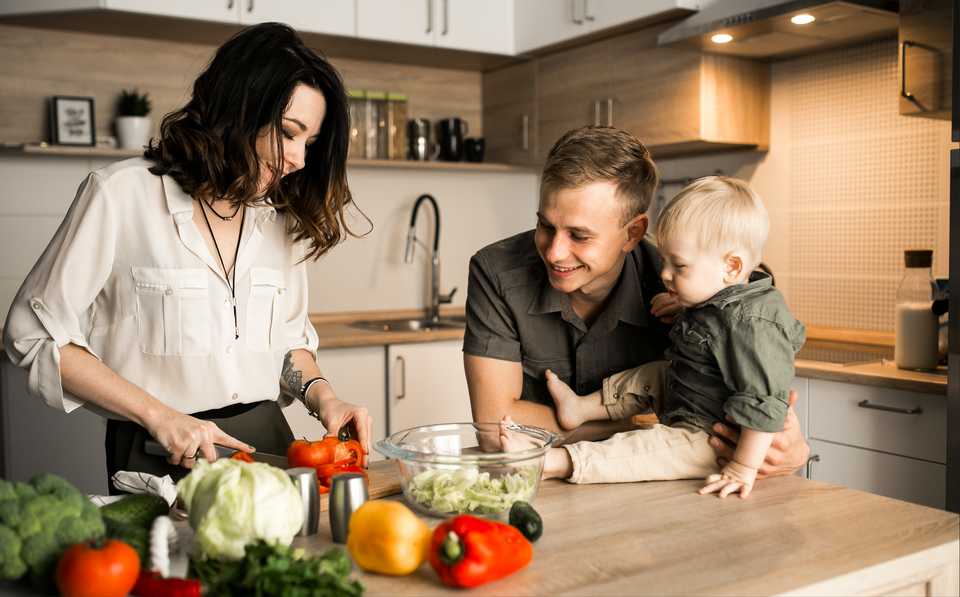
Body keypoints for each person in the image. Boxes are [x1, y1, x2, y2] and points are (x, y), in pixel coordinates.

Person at [2, 23, 372, 488]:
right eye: (288, 132)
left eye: (309, 143)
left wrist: (324, 397)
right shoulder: (121, 195)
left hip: (269, 444)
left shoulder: (279, 217)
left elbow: (286, 342)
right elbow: (34, 334)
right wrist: (158, 415)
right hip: (163, 449)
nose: (298, 157)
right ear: (238, 109)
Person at [464, 126, 810, 477]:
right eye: (546, 225)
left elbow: (760, 406)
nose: (554, 252)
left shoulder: (685, 282)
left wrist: (789, 448)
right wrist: (647, 426)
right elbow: (496, 431)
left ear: (633, 232)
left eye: (579, 235)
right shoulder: (497, 272)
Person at [535, 176, 805, 498]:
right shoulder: (718, 296)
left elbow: (764, 404)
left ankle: (559, 462)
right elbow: (713, 337)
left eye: (679, 266)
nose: (664, 274)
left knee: (650, 448)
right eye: (665, 261)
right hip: (689, 395)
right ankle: (581, 408)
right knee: (653, 373)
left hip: (707, 435)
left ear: (731, 267)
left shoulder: (754, 324)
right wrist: (683, 305)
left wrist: (742, 467)